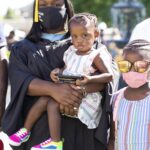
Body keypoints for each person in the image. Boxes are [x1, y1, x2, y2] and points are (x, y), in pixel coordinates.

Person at [1, 0, 119, 150]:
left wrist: (77, 93)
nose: (50, 9)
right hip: (41, 132)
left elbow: (110, 75)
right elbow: (21, 80)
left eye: (57, 5)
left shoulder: (88, 43)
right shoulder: (22, 48)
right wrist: (54, 90)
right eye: (43, 4)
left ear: (67, 8)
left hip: (83, 129)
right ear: (36, 10)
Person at [108, 39, 150, 150]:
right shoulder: (116, 99)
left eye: (140, 65)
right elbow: (113, 138)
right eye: (125, 65)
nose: (131, 70)